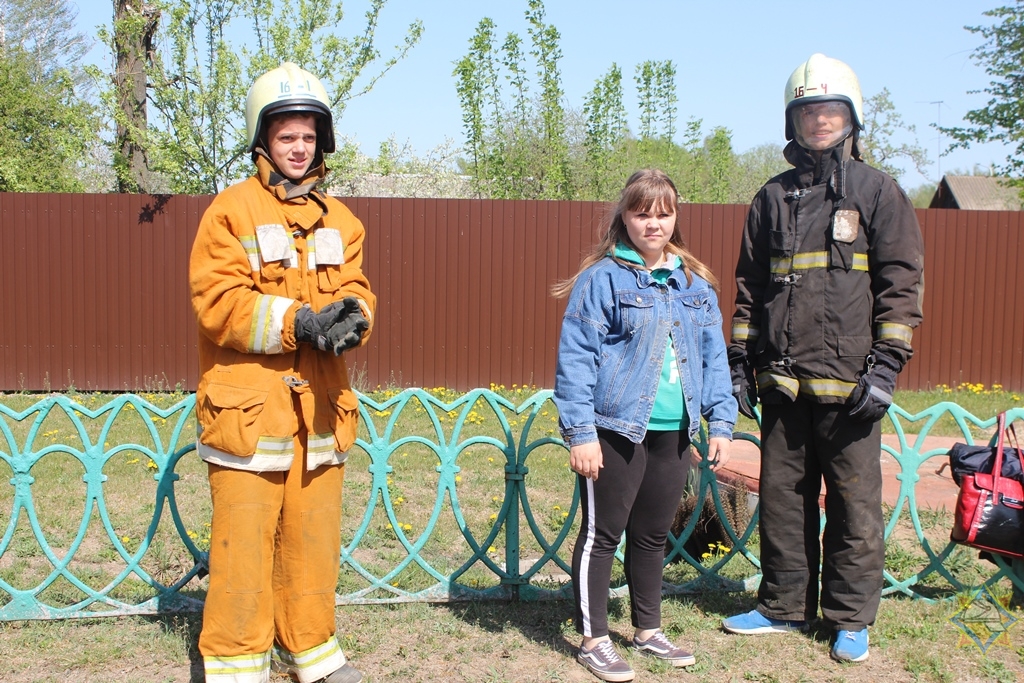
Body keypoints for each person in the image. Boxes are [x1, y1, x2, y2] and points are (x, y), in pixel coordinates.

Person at [721, 54, 925, 663]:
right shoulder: (771, 198)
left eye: (831, 110)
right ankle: (784, 606)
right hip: (783, 384)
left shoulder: (877, 192)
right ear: (793, 120)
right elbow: (748, 289)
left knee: (854, 505)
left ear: (851, 118)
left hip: (853, 388)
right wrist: (740, 361)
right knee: (782, 500)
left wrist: (886, 366)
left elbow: (900, 285)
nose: (820, 120)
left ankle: (849, 618)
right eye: (809, 110)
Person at [189, 62, 375, 683]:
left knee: (312, 545)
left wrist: (356, 317)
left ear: (322, 141)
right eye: (286, 136)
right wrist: (299, 323)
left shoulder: (342, 221)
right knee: (243, 549)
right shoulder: (230, 211)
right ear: (262, 140)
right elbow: (218, 302)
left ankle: (312, 657)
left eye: (308, 137)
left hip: (319, 414)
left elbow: (355, 289)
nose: (299, 148)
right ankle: (237, 667)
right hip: (250, 415)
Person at [553, 169, 737, 682]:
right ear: (625, 217)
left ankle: (648, 630)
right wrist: (582, 433)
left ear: (675, 217)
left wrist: (720, 422)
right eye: (642, 213)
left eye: (663, 213)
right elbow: (576, 358)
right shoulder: (603, 279)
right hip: (615, 428)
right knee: (602, 534)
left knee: (653, 534)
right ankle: (594, 639)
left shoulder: (693, 284)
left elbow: (713, 357)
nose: (653, 223)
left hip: (674, 432)